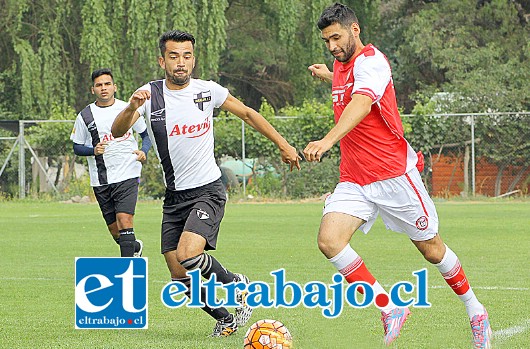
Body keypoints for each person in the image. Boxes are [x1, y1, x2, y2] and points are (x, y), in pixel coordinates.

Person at [304, 3, 491, 348]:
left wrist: (328, 140)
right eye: (326, 40)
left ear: (354, 30)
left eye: (336, 37)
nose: (331, 46)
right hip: (356, 178)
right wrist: (329, 75)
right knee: (330, 241)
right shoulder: (342, 66)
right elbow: (348, 85)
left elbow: (361, 102)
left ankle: (476, 311)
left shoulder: (373, 61)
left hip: (393, 175)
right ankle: (388, 308)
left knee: (432, 250)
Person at [111, 30, 301, 337]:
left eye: (186, 56)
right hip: (174, 197)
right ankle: (225, 319)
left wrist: (283, 144)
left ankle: (238, 283)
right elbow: (119, 130)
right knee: (178, 274)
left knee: (189, 255)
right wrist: (131, 107)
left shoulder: (207, 91)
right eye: (174, 56)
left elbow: (249, 115)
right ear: (163, 61)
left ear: (193, 60)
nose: (181, 63)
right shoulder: (148, 95)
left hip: (207, 191)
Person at [71, 68, 151, 257]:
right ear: (93, 90)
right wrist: (93, 150)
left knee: (125, 220)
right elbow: (77, 147)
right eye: (99, 85)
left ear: (114, 87)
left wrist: (144, 151)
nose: (104, 88)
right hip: (101, 178)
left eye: (107, 84)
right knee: (116, 231)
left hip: (128, 172)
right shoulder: (85, 116)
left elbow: (146, 135)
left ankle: (128, 275)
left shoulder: (128, 109)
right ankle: (135, 248)